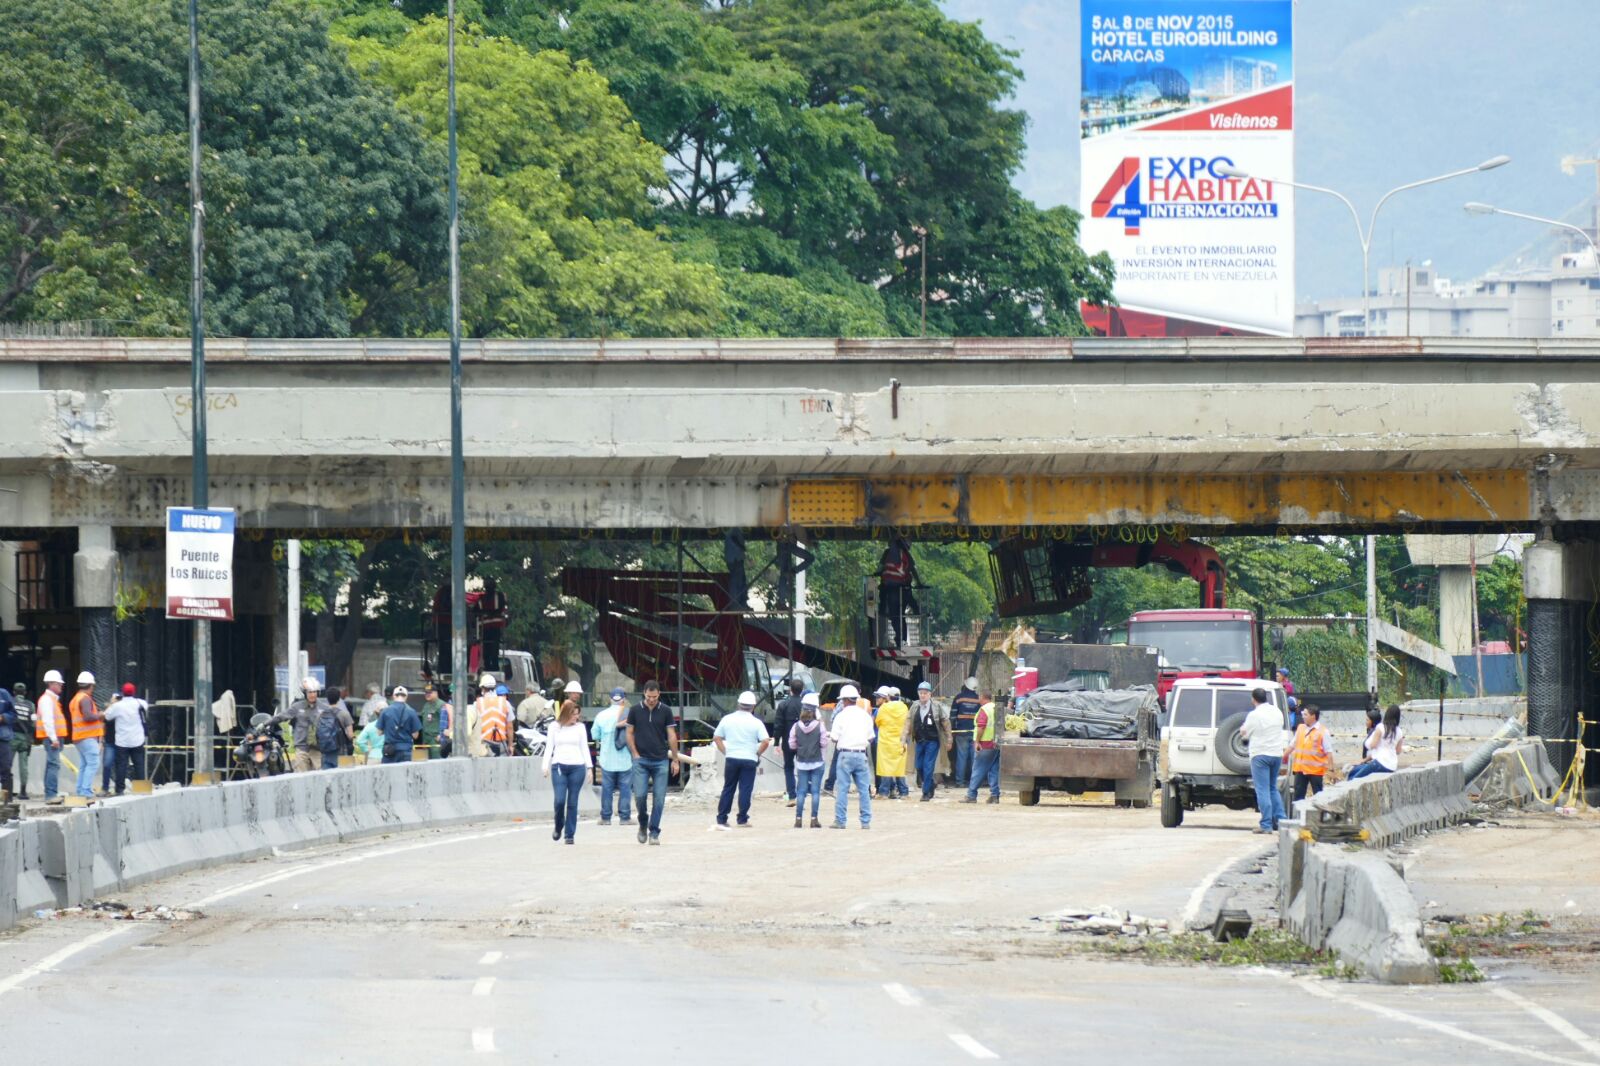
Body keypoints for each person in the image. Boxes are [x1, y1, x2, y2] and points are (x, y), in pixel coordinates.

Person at [627, 680, 678, 845]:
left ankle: (654, 831)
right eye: (649, 697)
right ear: (644, 694)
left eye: (655, 697)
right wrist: (634, 753)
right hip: (640, 760)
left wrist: (675, 759)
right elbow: (629, 733)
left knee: (659, 798)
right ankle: (643, 822)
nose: (651, 700)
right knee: (640, 796)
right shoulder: (634, 710)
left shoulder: (665, 711)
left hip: (660, 760)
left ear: (659, 694)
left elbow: (671, 735)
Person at [714, 690, 771, 830]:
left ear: (739, 704)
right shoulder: (756, 722)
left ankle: (722, 818)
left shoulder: (727, 719)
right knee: (745, 789)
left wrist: (725, 752)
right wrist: (757, 753)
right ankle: (742, 818)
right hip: (749, 759)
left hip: (732, 758)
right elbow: (765, 741)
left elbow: (717, 737)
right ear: (753, 706)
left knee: (728, 788)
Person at [542, 698, 592, 845]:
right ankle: (559, 825)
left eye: (577, 714)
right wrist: (545, 766)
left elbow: (584, 747)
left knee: (572, 801)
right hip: (559, 766)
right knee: (559, 801)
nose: (575, 717)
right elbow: (549, 747)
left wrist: (589, 768)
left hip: (577, 767)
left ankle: (569, 834)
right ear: (565, 714)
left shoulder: (580, 728)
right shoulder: (554, 727)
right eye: (573, 714)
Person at [1238, 687, 1288, 833]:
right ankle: (1281, 821)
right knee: (1273, 788)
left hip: (1260, 755)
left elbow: (1244, 732)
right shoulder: (1277, 712)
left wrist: (1243, 731)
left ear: (1253, 699)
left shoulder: (1254, 715)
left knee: (1262, 790)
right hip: (1276, 754)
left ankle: (1266, 825)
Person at [828, 684, 873, 829]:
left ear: (845, 700)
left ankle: (840, 821)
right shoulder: (865, 716)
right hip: (861, 754)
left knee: (842, 789)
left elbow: (834, 737)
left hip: (845, 754)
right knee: (864, 790)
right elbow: (871, 737)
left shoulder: (840, 716)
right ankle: (865, 822)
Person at [592, 687, 633, 825]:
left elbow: (595, 735)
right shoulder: (629, 714)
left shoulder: (601, 715)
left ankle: (605, 818)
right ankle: (625, 817)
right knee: (625, 789)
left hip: (607, 758)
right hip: (625, 758)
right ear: (623, 699)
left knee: (607, 789)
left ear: (610, 699)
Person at [789, 693, 828, 828]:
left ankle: (798, 819)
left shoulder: (796, 726)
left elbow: (792, 745)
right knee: (815, 792)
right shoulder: (820, 726)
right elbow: (824, 743)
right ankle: (814, 819)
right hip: (817, 761)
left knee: (801, 791)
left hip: (801, 762)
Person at [103, 682, 149, 795]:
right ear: (134, 692)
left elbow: (107, 715)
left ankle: (120, 790)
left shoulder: (118, 706)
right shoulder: (140, 703)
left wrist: (113, 702)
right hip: (137, 740)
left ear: (122, 693)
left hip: (122, 742)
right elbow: (146, 707)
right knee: (139, 764)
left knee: (121, 766)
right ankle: (141, 788)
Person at [909, 681, 950, 801]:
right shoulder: (914, 706)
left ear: (930, 694)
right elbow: (908, 721)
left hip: (932, 741)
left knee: (928, 766)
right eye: (920, 693)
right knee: (918, 766)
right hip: (919, 741)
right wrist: (903, 738)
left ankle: (926, 793)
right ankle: (930, 783)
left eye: (925, 693)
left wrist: (949, 739)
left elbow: (945, 723)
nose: (922, 695)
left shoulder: (937, 707)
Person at [877, 536, 919, 648]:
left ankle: (901, 638)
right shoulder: (905, 554)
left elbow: (880, 569)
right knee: (900, 615)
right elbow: (912, 569)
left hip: (891, 589)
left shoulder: (888, 553)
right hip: (901, 588)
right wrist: (919, 583)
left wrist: (876, 574)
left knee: (896, 615)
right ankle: (902, 638)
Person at [68, 671, 104, 798]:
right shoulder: (85, 698)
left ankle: (81, 790)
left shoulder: (75, 699)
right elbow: (88, 716)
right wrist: (100, 715)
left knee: (84, 764)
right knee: (93, 763)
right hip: (87, 736)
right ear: (90, 685)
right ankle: (85, 791)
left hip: (79, 737)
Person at [1288, 704, 1333, 801]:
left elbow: (1329, 751)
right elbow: (1292, 745)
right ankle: (1297, 815)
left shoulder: (1323, 731)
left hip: (1315, 771)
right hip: (1300, 769)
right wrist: (1284, 756)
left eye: (1305, 714)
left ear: (1313, 716)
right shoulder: (1301, 728)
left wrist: (1331, 769)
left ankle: (1319, 815)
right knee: (1298, 797)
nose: (1303, 716)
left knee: (1318, 796)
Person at [773, 676, 807, 806]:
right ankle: (802, 794)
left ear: (790, 690)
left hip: (787, 741)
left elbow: (778, 725)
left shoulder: (783, 705)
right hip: (803, 741)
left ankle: (792, 796)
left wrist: (776, 742)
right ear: (802, 690)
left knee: (788, 767)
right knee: (803, 768)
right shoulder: (805, 705)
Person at [964, 692, 1002, 803]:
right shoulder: (997, 708)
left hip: (984, 744)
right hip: (996, 744)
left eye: (979, 697)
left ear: (982, 697)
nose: (978, 699)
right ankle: (995, 796)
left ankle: (971, 795)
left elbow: (981, 726)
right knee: (994, 770)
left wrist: (977, 742)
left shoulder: (984, 710)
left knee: (978, 769)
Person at [1349, 705, 1405, 779]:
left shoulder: (1381, 727)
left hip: (1379, 763)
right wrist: (1363, 761)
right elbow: (1398, 751)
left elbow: (1373, 745)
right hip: (1392, 766)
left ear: (1387, 714)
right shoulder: (1399, 731)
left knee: (1354, 778)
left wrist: (1370, 742)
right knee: (1355, 771)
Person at [35, 670, 67, 799]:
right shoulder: (47, 700)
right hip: (52, 738)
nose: (61, 686)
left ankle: (50, 793)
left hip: (54, 737)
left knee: (51, 764)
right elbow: (48, 720)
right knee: (53, 765)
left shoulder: (51, 700)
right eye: (59, 684)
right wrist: (53, 738)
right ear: (52, 684)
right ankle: (51, 794)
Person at [287, 678, 330, 773]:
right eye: (310, 692)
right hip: (301, 749)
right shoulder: (296, 707)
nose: (312, 695)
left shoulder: (324, 708)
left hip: (318, 750)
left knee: (321, 777)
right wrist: (264, 724)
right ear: (305, 693)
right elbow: (281, 716)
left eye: (314, 692)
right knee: (301, 777)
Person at [875, 686, 910, 798]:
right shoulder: (904, 708)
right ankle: (903, 792)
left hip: (886, 742)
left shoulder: (884, 708)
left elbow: (878, 722)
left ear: (888, 697)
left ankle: (884, 792)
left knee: (886, 768)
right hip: (900, 742)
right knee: (899, 768)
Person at [467, 674, 512, 757]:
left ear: (482, 689)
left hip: (484, 744)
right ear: (495, 687)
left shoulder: (476, 704)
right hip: (501, 743)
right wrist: (510, 745)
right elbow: (509, 727)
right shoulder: (506, 703)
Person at [376, 686, 422, 764]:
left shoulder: (385, 711)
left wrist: (389, 730)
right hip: (406, 750)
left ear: (394, 696)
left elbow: (379, 732)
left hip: (390, 750)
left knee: (388, 774)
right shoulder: (411, 712)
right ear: (406, 697)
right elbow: (415, 735)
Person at [949, 678, 981, 789]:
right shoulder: (978, 699)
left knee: (961, 757)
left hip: (961, 732)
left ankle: (960, 781)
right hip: (975, 732)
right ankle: (973, 782)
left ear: (965, 685)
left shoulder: (959, 698)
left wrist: (952, 729)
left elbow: (953, 715)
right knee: (974, 758)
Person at [316, 688, 356, 770]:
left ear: (327, 699)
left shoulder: (321, 715)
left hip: (326, 750)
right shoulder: (344, 714)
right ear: (338, 699)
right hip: (340, 750)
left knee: (327, 778)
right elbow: (350, 735)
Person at [10, 682, 34, 799]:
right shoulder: (30, 705)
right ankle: (23, 792)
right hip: (25, 739)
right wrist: (30, 738)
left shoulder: (10, 702)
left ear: (13, 692)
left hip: (12, 737)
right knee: (23, 766)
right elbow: (33, 724)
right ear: (25, 693)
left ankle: (7, 790)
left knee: (7, 763)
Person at [418, 682, 449, 757]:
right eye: (426, 693)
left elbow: (448, 721)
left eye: (430, 693)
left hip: (436, 739)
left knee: (437, 761)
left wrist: (442, 736)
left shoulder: (441, 705)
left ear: (436, 693)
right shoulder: (426, 705)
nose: (427, 695)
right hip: (426, 739)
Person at [0, 683, 15, 800]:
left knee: (5, 768)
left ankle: (7, 801)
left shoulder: (3, 694)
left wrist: (3, 717)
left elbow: (14, 714)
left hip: (3, 738)